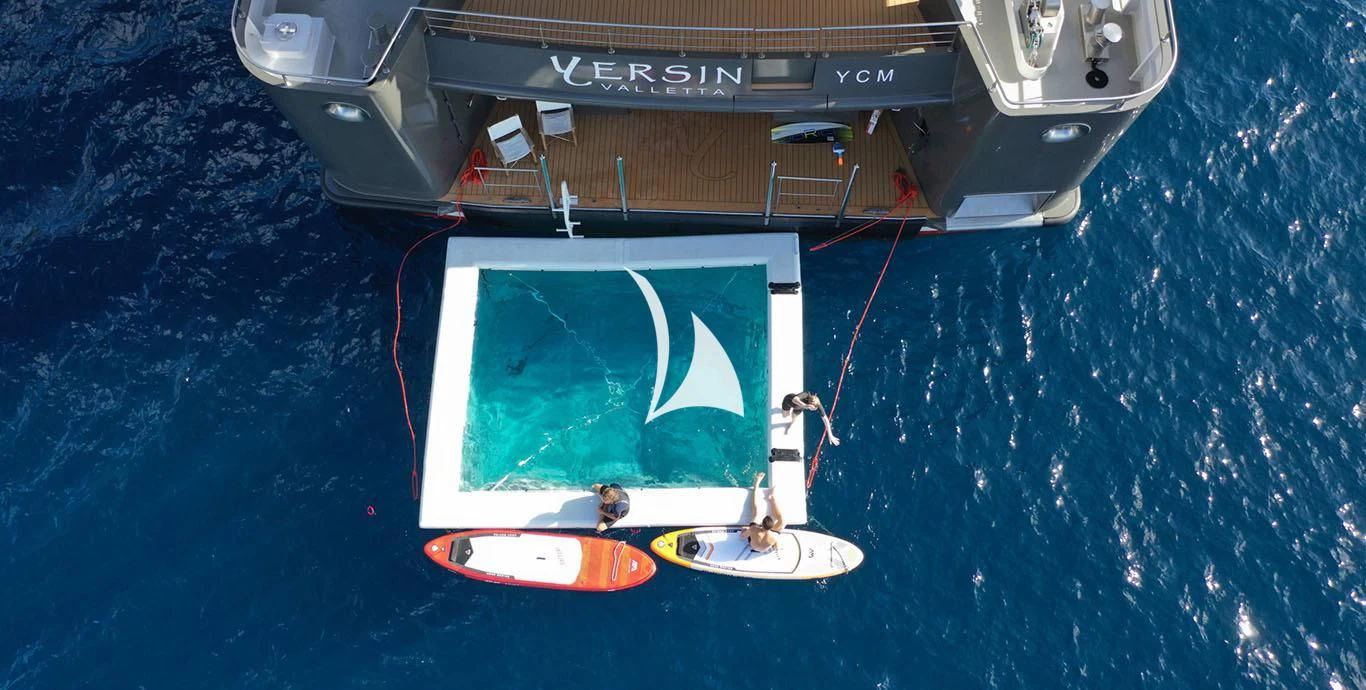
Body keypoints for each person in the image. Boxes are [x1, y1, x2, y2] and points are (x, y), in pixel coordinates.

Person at [739, 472, 785, 552]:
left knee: (755, 511)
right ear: (771, 527)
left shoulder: (754, 529)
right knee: (782, 520)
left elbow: (742, 538)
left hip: (753, 545)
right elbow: (777, 547)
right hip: (765, 545)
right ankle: (772, 498)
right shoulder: (774, 537)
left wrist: (745, 530)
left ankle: (756, 485)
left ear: (761, 524)